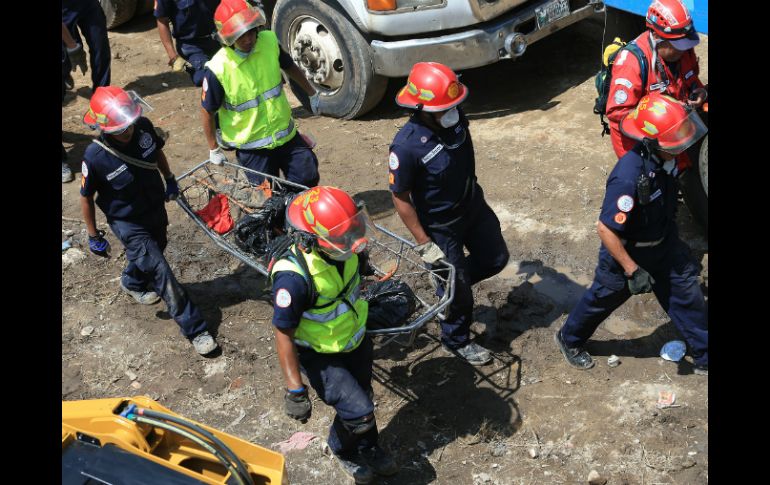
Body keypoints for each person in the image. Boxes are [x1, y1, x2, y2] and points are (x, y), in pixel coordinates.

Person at [555, 92, 708, 375]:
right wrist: (632, 269)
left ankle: (705, 355)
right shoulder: (628, 176)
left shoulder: (667, 161)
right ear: (652, 142)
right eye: (675, 141)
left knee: (687, 294)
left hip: (664, 244)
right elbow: (606, 229)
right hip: (628, 253)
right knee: (603, 298)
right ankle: (570, 338)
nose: (682, 147)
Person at [269, 186, 399, 484]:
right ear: (312, 240)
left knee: (363, 397)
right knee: (359, 413)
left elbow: (357, 276)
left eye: (355, 229)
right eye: (344, 236)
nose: (354, 241)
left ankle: (369, 447)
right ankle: (342, 450)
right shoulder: (293, 279)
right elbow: (283, 332)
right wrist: (295, 389)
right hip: (319, 354)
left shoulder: (347, 247)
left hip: (354, 339)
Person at [80, 86, 219, 356]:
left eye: (129, 124)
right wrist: (93, 235)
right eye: (120, 128)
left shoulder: (143, 127)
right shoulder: (94, 157)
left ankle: (132, 281)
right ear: (104, 128)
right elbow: (86, 198)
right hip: (127, 222)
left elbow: (156, 153)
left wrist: (169, 179)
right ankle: (196, 329)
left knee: (158, 246)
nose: (127, 130)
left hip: (154, 208)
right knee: (160, 271)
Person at [388, 62, 509, 366]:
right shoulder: (406, 147)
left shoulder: (453, 119)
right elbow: (400, 197)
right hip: (441, 225)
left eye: (454, 104)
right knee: (459, 288)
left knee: (496, 258)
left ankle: (448, 286)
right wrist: (424, 243)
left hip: (473, 207)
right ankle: (456, 338)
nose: (453, 111)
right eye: (445, 107)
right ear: (423, 110)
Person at [200, 0, 321, 187]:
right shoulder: (218, 69)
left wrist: (312, 93)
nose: (248, 39)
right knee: (268, 194)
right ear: (227, 39)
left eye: (251, 32)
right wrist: (213, 148)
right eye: (240, 36)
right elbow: (207, 111)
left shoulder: (269, 41)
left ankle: (290, 201)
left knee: (308, 176)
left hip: (284, 135)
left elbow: (289, 66)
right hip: (252, 148)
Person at [606, 0, 707, 162]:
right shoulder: (631, 63)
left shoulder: (683, 48)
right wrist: (664, 115)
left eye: (684, 42)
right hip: (641, 144)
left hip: (675, 137)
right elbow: (617, 113)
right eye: (676, 44)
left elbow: (690, 77)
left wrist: (699, 91)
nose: (683, 49)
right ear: (655, 35)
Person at [154, 0, 221, 87]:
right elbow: (162, 20)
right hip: (192, 46)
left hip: (220, 38)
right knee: (206, 78)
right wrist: (173, 57)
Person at [62, 0, 111, 93]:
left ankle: (101, 92)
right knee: (64, 58)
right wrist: (72, 45)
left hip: (88, 4)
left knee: (101, 48)